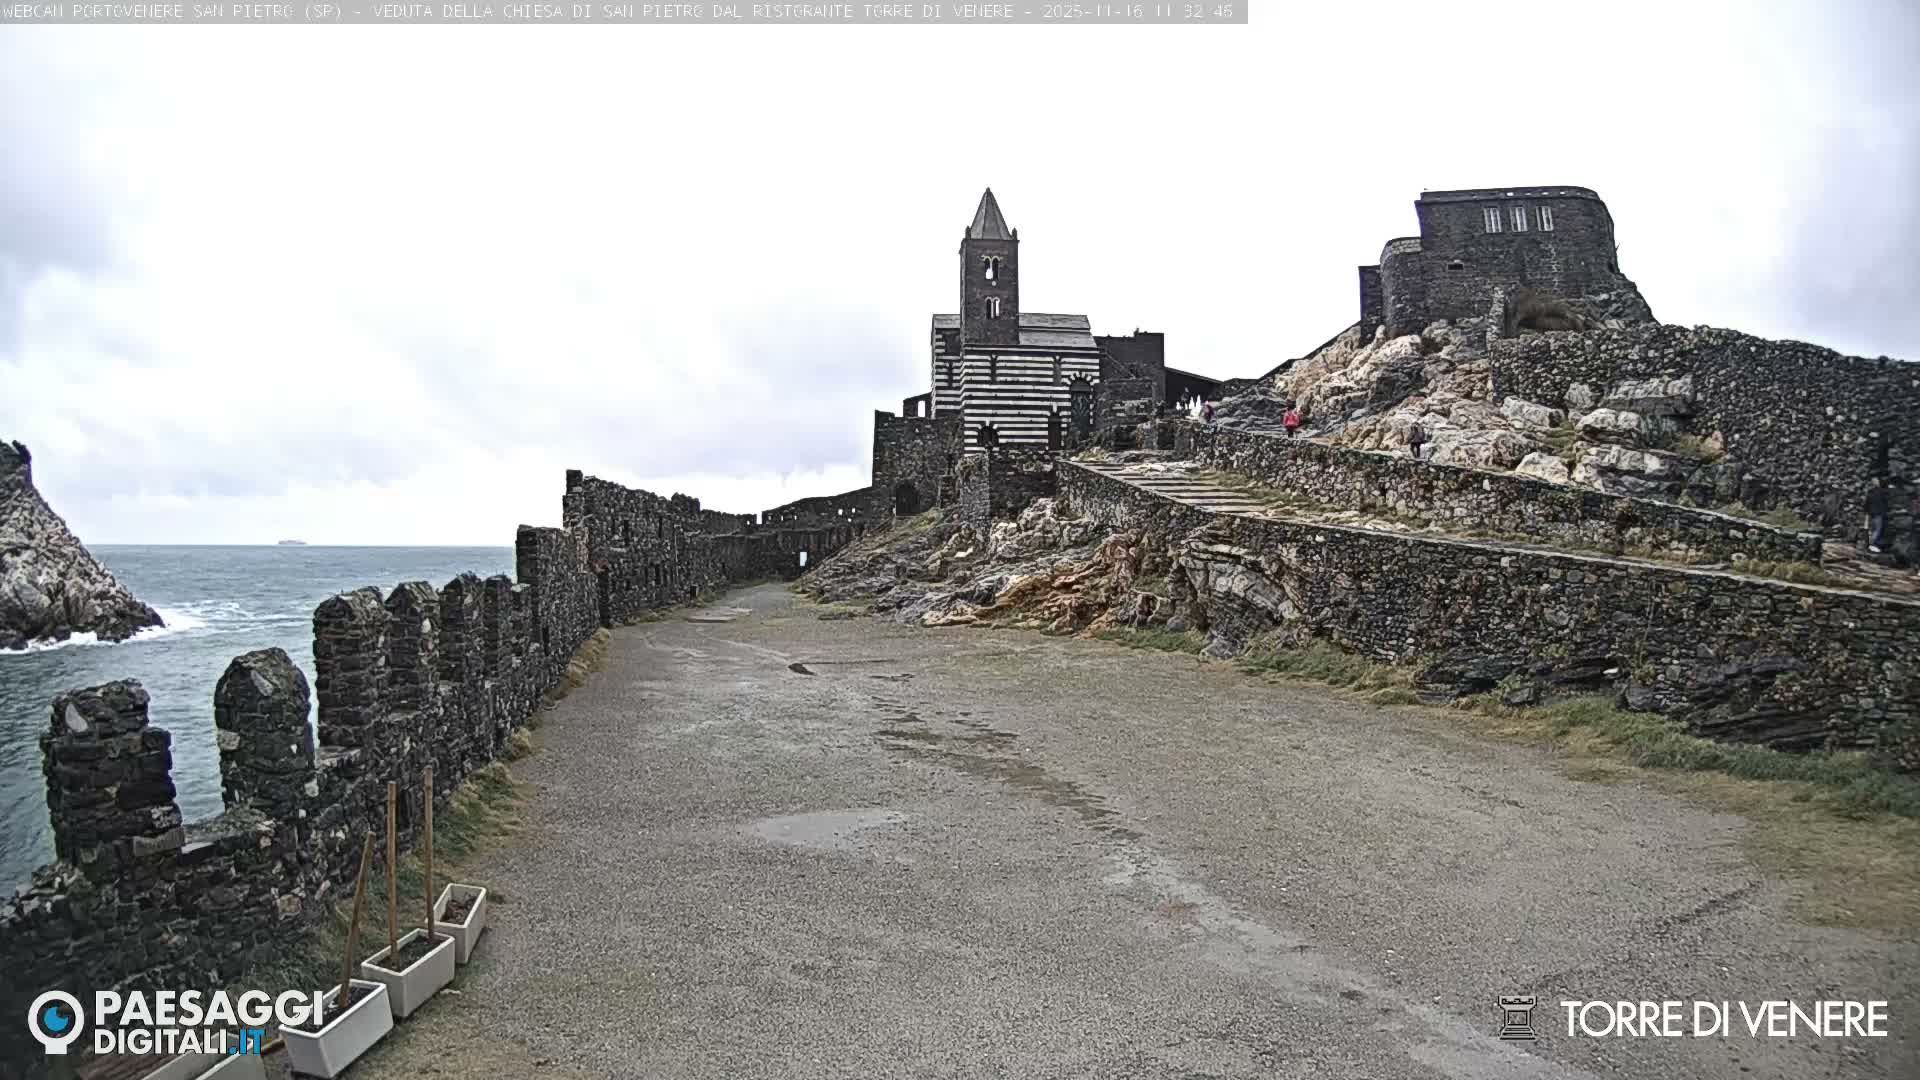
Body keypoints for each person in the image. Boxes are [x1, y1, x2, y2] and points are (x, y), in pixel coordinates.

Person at [1865, 476, 1890, 553]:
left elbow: (1866, 504)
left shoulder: (1870, 492)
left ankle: (1873, 545)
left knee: (1873, 529)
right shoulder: (1881, 491)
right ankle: (1871, 545)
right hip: (1878, 513)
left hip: (1872, 513)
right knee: (1877, 530)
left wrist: (1867, 513)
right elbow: (1885, 500)